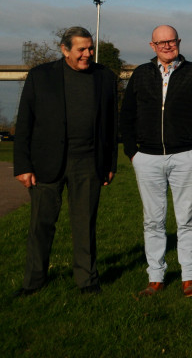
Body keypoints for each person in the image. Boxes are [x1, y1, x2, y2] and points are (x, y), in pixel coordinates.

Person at [13, 26, 117, 296]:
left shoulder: (104, 77)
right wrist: (23, 166)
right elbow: (25, 122)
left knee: (85, 224)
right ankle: (33, 282)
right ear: (64, 49)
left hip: (88, 163)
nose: (88, 54)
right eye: (81, 49)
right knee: (41, 225)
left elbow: (110, 125)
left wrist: (110, 164)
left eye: (90, 48)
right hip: (46, 163)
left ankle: (87, 280)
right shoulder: (40, 76)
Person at [121, 25, 192, 298]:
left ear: (179, 41)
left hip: (184, 155)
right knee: (153, 221)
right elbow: (126, 115)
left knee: (187, 219)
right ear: (152, 46)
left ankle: (189, 277)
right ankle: (156, 277)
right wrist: (132, 151)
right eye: (161, 42)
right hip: (147, 157)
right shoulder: (140, 74)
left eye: (171, 41)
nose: (167, 46)